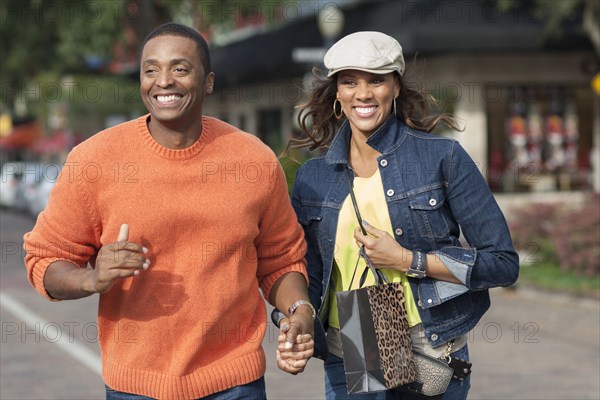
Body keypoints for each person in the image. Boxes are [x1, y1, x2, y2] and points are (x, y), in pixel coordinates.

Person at [23, 22, 315, 400]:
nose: (163, 81)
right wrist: (92, 279)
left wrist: (300, 310)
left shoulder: (254, 160)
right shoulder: (94, 159)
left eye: (180, 68)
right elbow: (44, 260)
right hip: (135, 387)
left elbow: (281, 261)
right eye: (150, 70)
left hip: (234, 383)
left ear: (208, 82)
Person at [282, 31, 519, 399]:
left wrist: (410, 260)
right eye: (350, 82)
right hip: (355, 341)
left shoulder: (443, 158)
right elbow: (306, 273)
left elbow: (502, 263)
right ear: (337, 95)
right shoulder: (314, 178)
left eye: (376, 80)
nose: (363, 93)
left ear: (395, 87)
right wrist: (295, 322)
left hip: (429, 344)